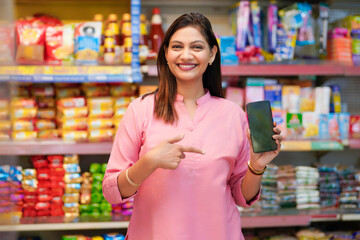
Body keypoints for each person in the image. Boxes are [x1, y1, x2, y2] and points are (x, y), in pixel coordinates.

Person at [103, 12, 283, 240]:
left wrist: (256, 167)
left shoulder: (233, 114)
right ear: (166, 53)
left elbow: (241, 196)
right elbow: (111, 192)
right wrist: (148, 163)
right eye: (177, 46)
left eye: (197, 47)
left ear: (212, 54)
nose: (186, 55)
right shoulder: (140, 110)